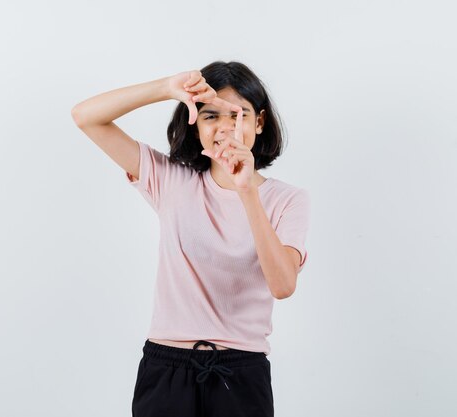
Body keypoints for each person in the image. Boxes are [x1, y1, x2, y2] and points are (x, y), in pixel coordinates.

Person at [71, 61, 311, 417]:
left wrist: (247, 191)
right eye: (211, 115)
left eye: (239, 115)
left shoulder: (288, 200)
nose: (226, 127)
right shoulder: (171, 181)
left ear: (259, 123)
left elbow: (282, 285)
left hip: (240, 375)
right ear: (194, 122)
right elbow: (85, 116)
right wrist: (167, 87)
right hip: (166, 370)